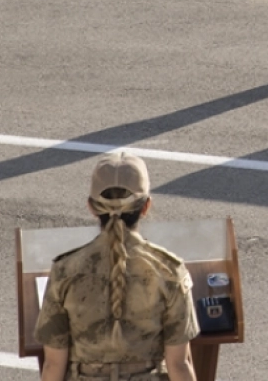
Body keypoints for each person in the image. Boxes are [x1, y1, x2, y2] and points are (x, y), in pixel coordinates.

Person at [34, 153, 198, 381]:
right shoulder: (169, 270)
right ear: (146, 206)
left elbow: (53, 365)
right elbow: (179, 365)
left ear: (91, 207)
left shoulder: (65, 270)